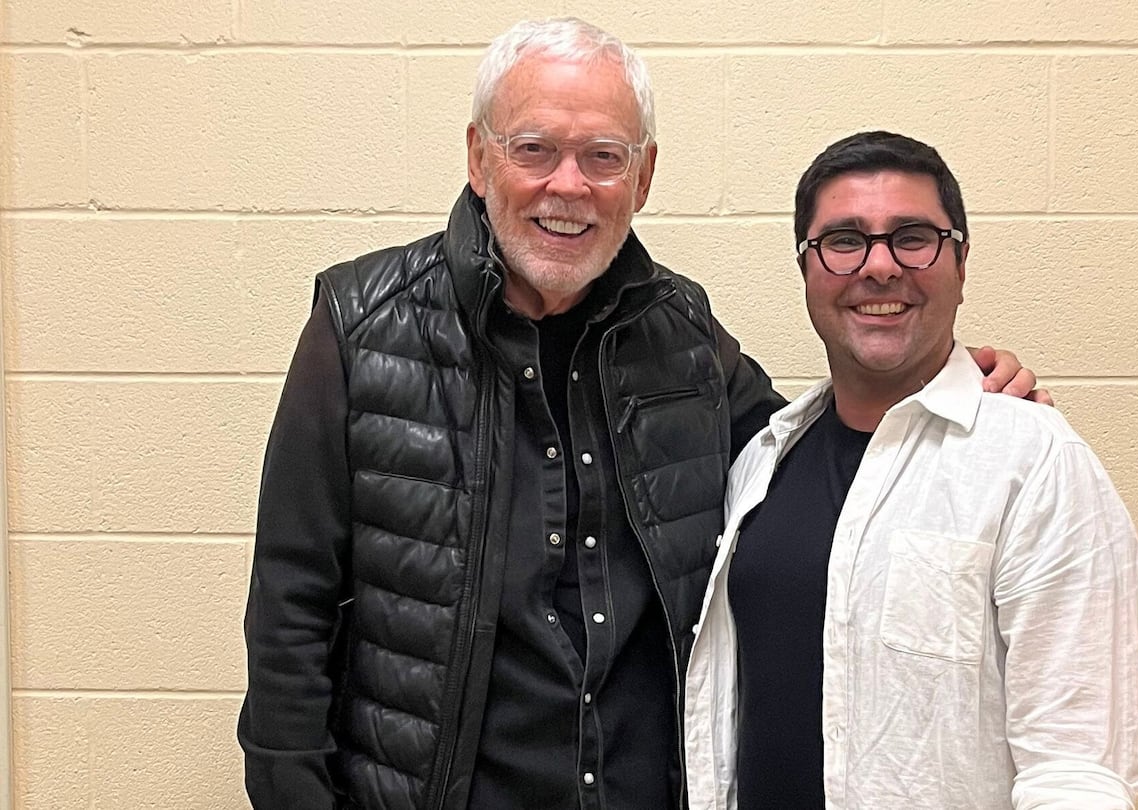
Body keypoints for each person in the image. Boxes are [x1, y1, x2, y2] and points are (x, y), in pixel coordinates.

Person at [238, 19, 1042, 810]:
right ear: (480, 159)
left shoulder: (683, 334)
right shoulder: (360, 326)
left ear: (643, 177)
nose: (568, 186)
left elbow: (812, 456)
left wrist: (943, 386)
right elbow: (291, 608)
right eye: (533, 150)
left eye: (602, 158)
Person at [683, 131, 1138, 809]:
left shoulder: (1034, 462)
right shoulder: (759, 463)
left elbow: (1077, 767)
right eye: (844, 240)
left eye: (912, 237)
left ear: (959, 262)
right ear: (807, 270)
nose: (880, 267)